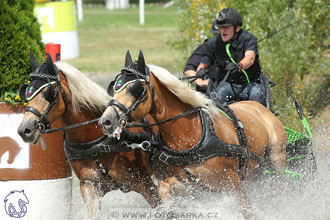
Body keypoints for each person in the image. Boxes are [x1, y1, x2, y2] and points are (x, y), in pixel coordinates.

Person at [197, 8, 265, 104]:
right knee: (217, 95)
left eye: (226, 27)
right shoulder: (212, 43)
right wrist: (200, 71)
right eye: (220, 27)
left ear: (236, 28)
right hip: (228, 85)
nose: (222, 30)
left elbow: (250, 58)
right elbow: (203, 64)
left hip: (250, 84)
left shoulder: (249, 38)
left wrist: (238, 66)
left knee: (257, 93)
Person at [183, 19, 219, 93]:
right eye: (217, 35)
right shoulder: (205, 47)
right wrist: (201, 82)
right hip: (210, 90)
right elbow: (189, 69)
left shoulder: (237, 47)